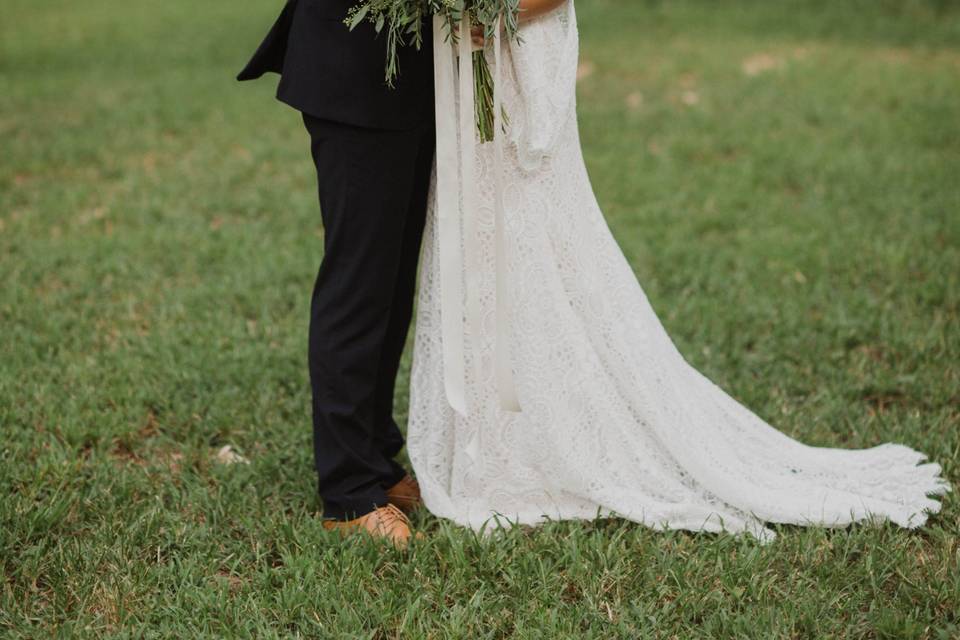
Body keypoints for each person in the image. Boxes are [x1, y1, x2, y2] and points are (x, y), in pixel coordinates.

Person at [406, 0, 950, 542]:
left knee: (525, 232)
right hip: (467, 55)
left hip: (517, 46)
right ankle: (494, 440)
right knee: (480, 236)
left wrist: (496, 12)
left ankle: (536, 442)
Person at [237, 0, 436, 547]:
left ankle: (375, 456)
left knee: (393, 281)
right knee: (359, 283)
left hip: (415, 74)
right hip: (354, 72)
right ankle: (348, 494)